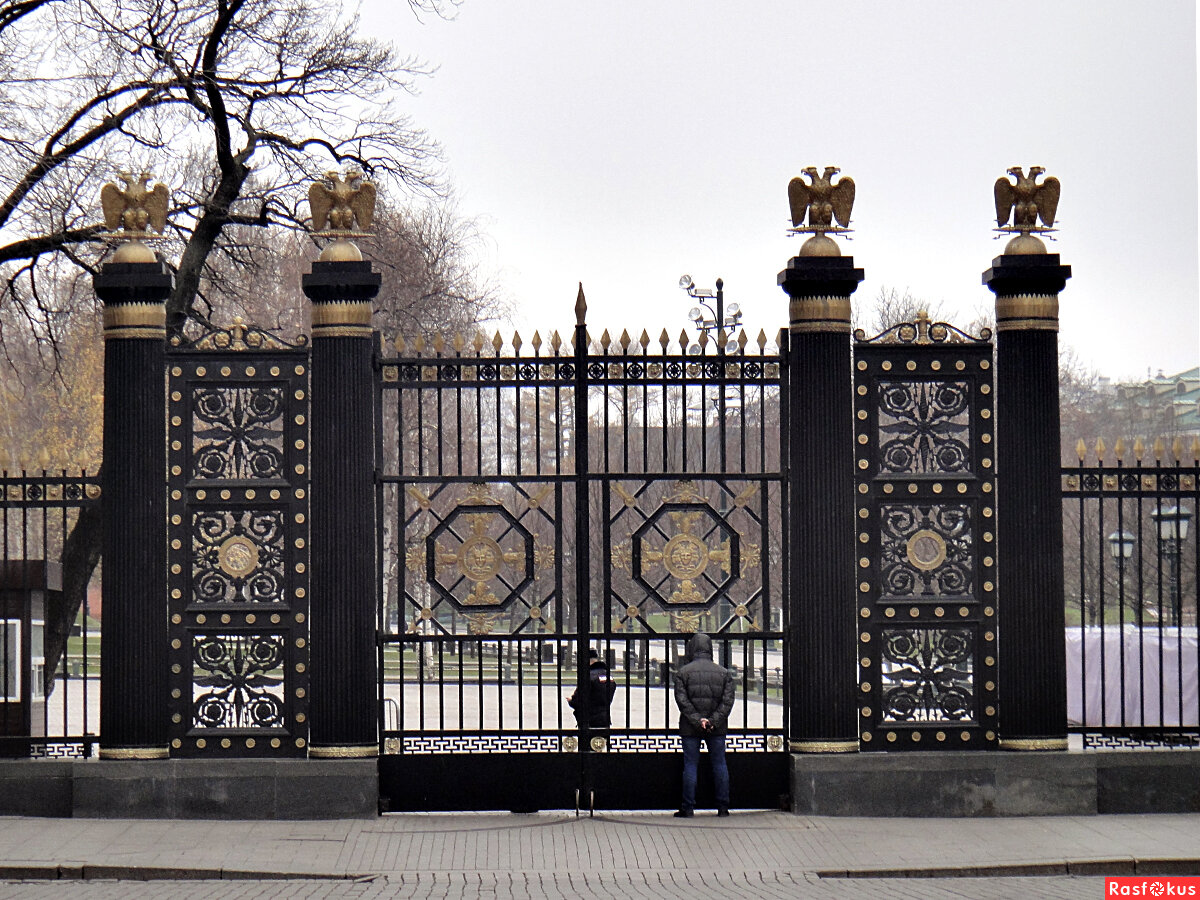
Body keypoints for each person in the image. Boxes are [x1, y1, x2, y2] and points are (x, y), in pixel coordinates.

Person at [673, 632, 734, 818]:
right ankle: (723, 807)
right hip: (717, 728)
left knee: (690, 766)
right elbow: (727, 701)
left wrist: (698, 720)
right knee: (719, 764)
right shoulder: (723, 673)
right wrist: (713, 721)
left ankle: (688, 807)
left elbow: (682, 701)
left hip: (690, 728)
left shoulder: (683, 673)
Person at [568, 648, 616, 730]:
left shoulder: (588, 676)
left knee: (587, 742)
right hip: (604, 719)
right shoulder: (608, 676)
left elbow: (578, 700)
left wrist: (571, 701)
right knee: (602, 741)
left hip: (589, 721)